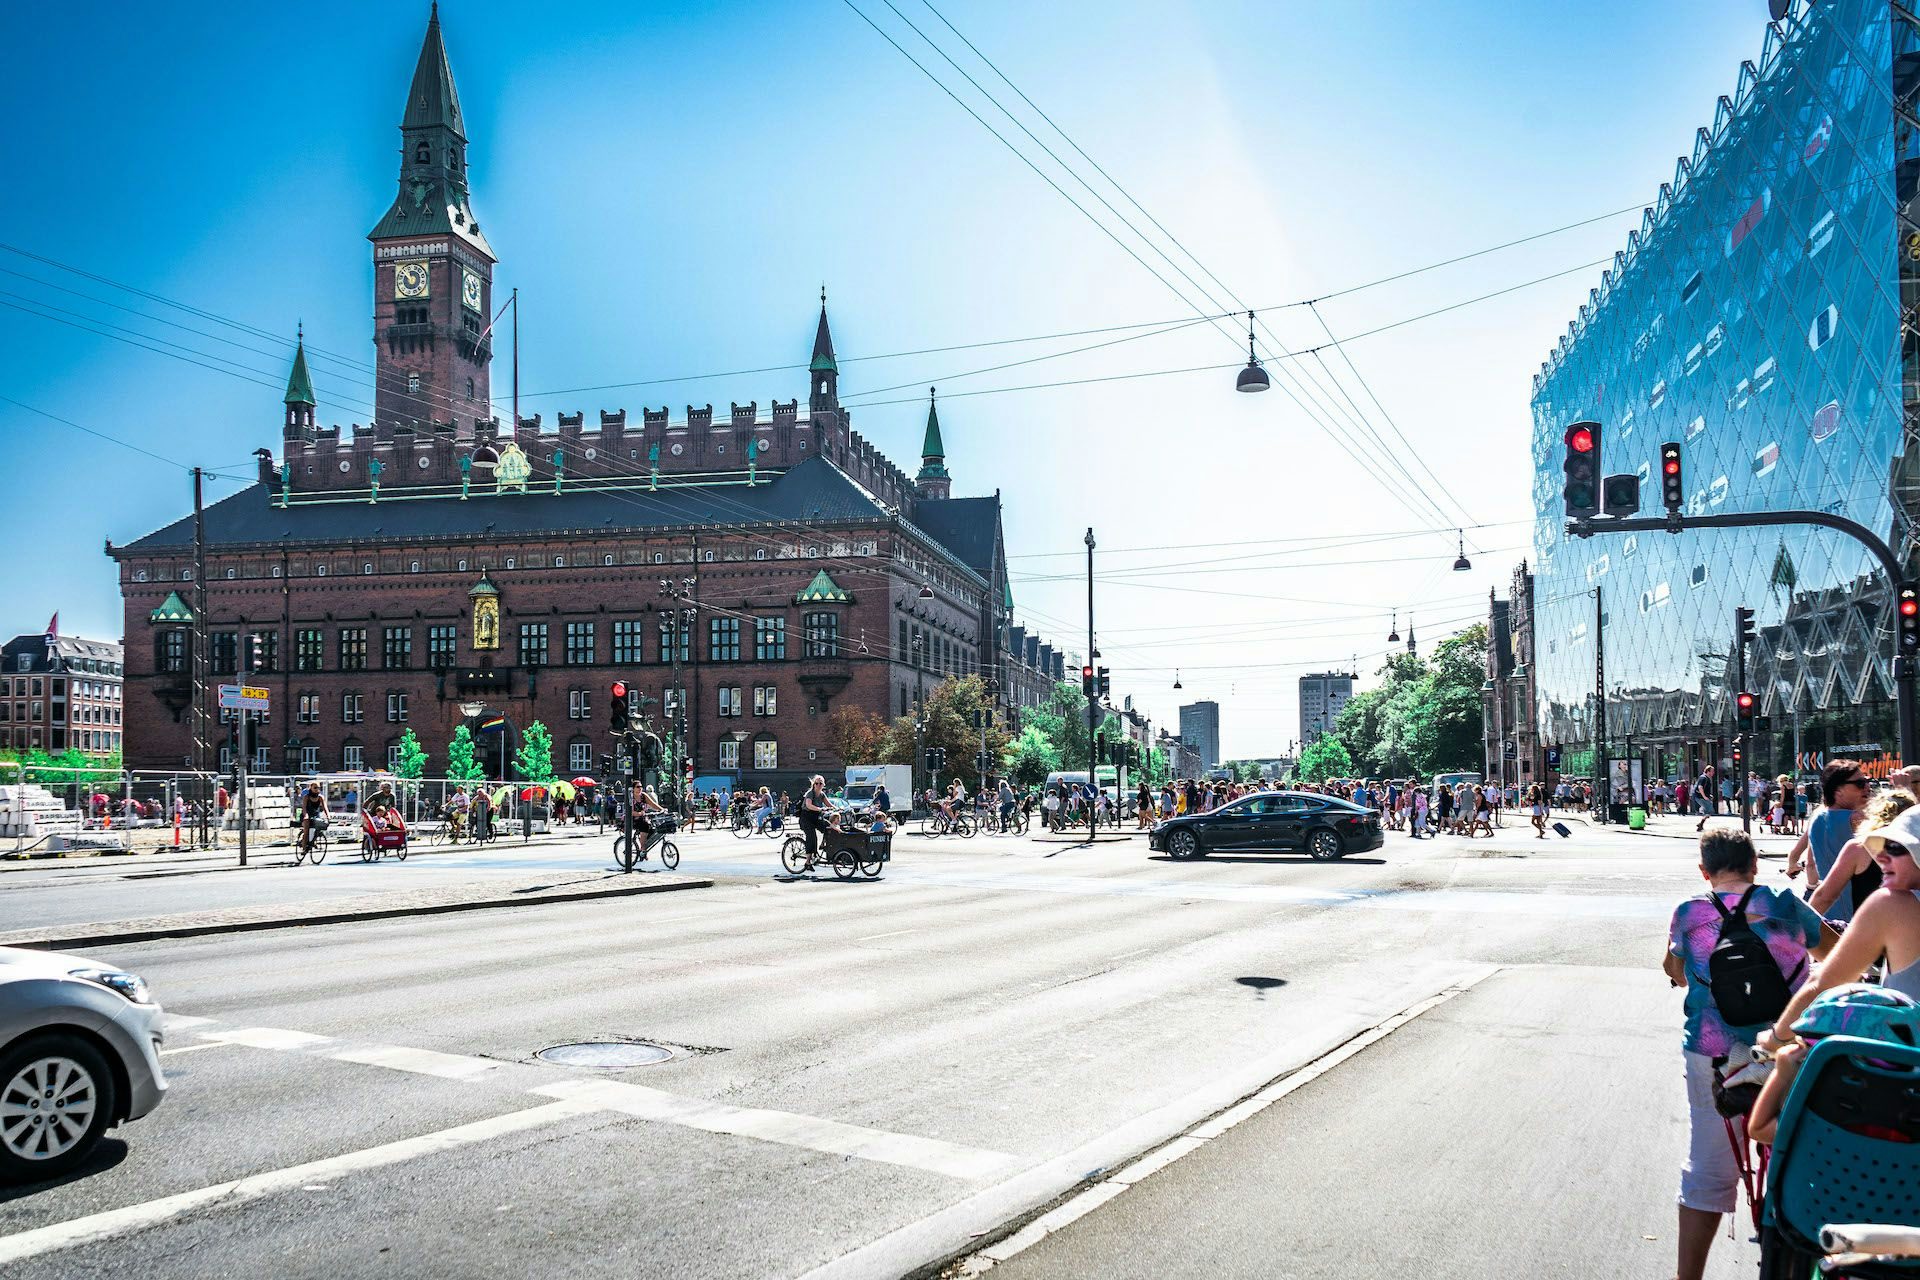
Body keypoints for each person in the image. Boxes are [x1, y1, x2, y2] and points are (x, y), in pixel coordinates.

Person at [1663, 825, 1833, 1280]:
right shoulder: (1782, 903)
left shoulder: (1688, 912)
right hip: (1787, 1051)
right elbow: (1834, 958)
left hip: (1712, 1052)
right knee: (1799, 1153)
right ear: (1754, 864)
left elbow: (1677, 974)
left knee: (1708, 1167)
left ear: (1704, 871)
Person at [1785, 759, 1870, 904]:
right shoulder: (1855, 819)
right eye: (1860, 783)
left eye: (1867, 781)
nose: (1867, 787)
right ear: (1838, 791)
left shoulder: (1818, 816)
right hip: (1852, 914)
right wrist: (1905, 789)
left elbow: (1797, 854)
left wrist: (1793, 865)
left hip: (1830, 911)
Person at [800, 774, 830, 864]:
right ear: (814, 784)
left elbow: (829, 804)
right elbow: (809, 805)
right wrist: (819, 809)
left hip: (816, 816)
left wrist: (838, 809)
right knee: (812, 837)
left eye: (820, 783)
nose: (818, 785)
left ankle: (823, 844)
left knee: (828, 828)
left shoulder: (822, 794)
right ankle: (808, 861)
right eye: (816, 783)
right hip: (806, 817)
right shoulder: (810, 793)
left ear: (823, 785)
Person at [299, 782, 325, 851]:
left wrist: (328, 816)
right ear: (311, 788)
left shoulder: (320, 797)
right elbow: (304, 808)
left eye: (318, 788)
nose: (317, 789)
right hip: (306, 815)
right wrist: (306, 815)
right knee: (306, 830)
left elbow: (325, 808)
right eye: (315, 788)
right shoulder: (306, 797)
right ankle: (304, 848)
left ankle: (313, 841)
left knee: (319, 828)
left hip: (315, 815)